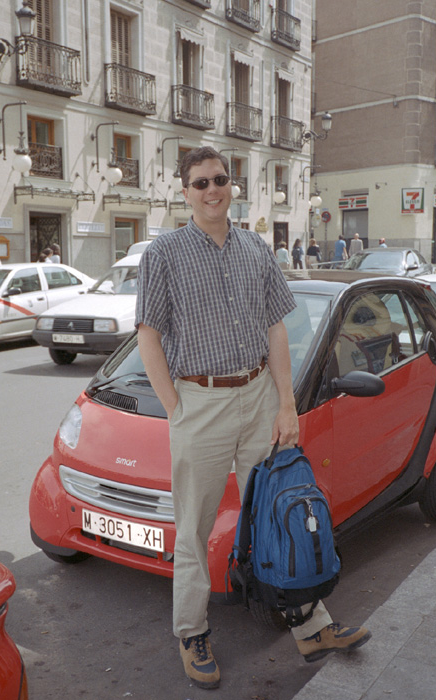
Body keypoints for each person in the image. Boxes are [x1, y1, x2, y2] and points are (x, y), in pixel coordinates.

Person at [135, 146, 371, 690]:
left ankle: (310, 626)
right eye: (200, 183)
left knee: (281, 509)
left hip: (260, 395)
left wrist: (286, 403)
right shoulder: (164, 254)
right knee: (193, 530)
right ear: (184, 191)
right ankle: (193, 633)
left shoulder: (254, 248)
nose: (212, 189)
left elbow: (276, 330)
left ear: (231, 185)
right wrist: (176, 408)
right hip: (201, 402)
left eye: (219, 179)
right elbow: (147, 335)